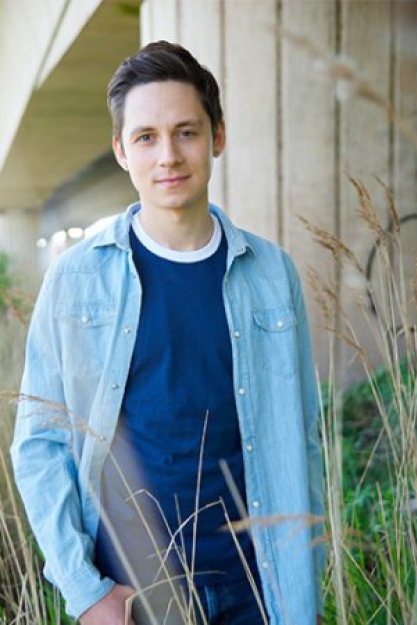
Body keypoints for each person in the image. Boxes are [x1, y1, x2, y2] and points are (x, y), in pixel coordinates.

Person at [11, 41, 323, 625]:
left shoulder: (271, 273)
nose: (169, 156)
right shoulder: (77, 279)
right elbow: (38, 446)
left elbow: (301, 436)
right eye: (146, 137)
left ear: (218, 137)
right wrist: (86, 593)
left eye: (187, 132)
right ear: (121, 151)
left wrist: (305, 583)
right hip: (133, 597)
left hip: (258, 587)